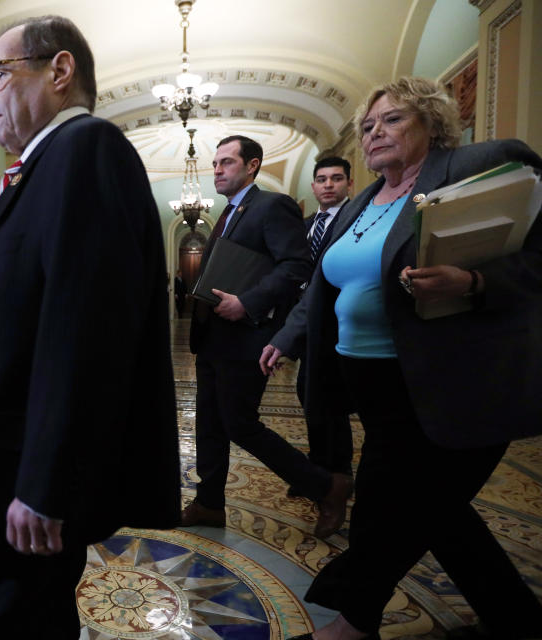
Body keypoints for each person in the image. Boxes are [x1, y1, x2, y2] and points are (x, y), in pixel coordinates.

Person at [0, 16, 180, 639]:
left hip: (13, 484)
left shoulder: (88, 150)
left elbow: (87, 328)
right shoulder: (43, 167)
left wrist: (48, 482)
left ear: (59, 70)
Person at [261, 77, 542, 640]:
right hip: (372, 385)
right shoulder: (363, 200)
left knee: (401, 508)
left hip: (450, 379)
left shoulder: (481, 163)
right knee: (435, 508)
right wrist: (289, 336)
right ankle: (518, 619)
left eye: (391, 120)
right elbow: (325, 282)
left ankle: (351, 620)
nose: (373, 133)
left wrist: (475, 281)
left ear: (432, 122)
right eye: (367, 126)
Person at [182, 135, 353, 538]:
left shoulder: (270, 206)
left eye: (226, 162)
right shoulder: (229, 212)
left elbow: (297, 266)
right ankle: (209, 502)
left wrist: (248, 302)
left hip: (245, 336)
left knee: (240, 424)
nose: (217, 170)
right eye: (216, 164)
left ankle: (327, 486)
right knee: (208, 423)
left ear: (252, 165)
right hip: (212, 337)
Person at [286, 157, 355, 497]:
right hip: (307, 322)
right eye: (322, 179)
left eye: (336, 179)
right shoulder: (307, 224)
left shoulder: (355, 218)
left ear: (348, 184)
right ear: (313, 186)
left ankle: (338, 472)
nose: (329, 185)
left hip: (338, 322)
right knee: (309, 393)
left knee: (332, 400)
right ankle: (318, 469)